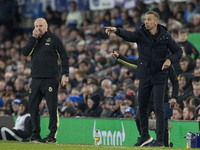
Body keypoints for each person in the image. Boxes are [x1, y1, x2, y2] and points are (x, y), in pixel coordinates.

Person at [105, 10, 182, 146]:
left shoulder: (165, 36)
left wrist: (170, 60)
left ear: (156, 22)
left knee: (159, 109)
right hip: (145, 75)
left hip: (159, 76)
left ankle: (159, 140)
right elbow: (129, 35)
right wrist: (116, 30)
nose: (146, 22)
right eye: (145, 19)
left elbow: (178, 51)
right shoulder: (140, 34)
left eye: (149, 19)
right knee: (142, 108)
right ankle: (144, 136)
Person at [110, 50, 178, 147]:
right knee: (138, 117)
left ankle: (163, 143)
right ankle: (145, 137)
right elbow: (132, 63)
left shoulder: (167, 65)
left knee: (164, 124)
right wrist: (119, 57)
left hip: (163, 99)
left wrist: (174, 97)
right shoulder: (144, 62)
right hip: (147, 99)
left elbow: (175, 81)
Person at [22, 18, 69, 143]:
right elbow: (25, 53)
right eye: (36, 26)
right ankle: (35, 134)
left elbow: (64, 57)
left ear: (46, 26)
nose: (38, 28)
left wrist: (65, 74)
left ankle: (52, 136)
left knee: (52, 108)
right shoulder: (33, 40)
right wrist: (33, 38)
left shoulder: (54, 39)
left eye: (41, 26)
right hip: (36, 79)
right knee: (32, 107)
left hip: (50, 79)